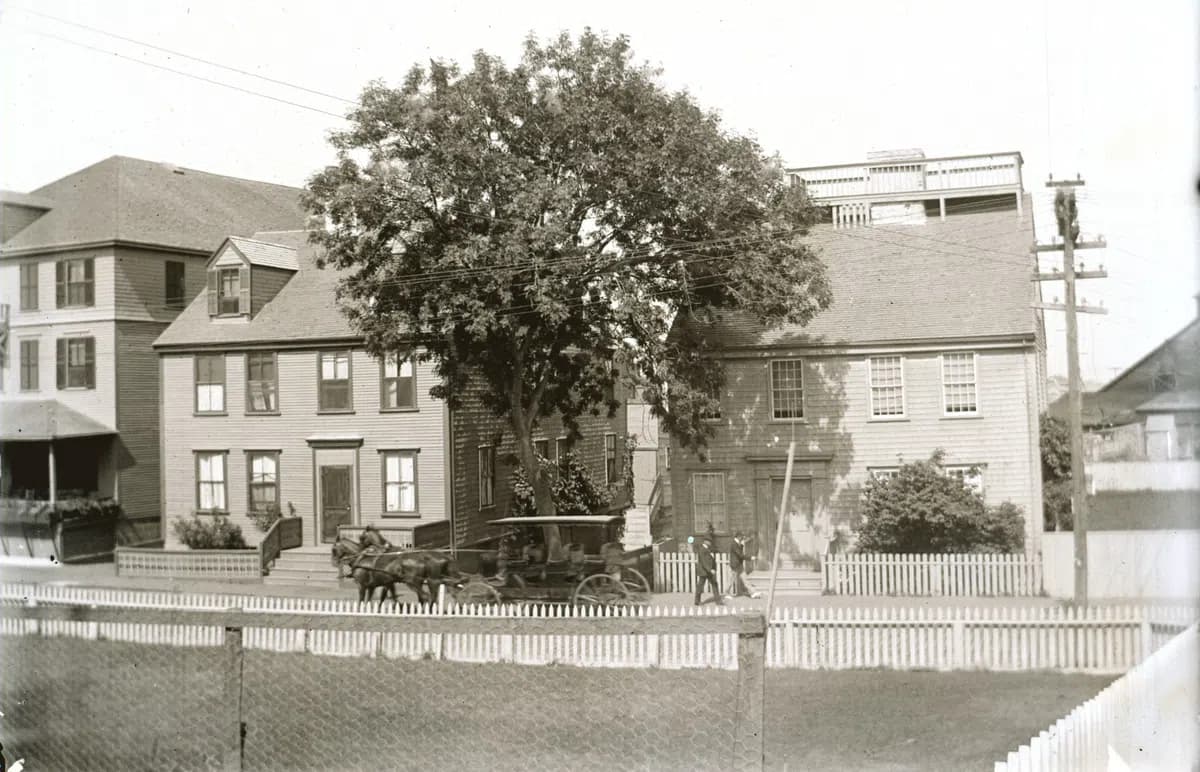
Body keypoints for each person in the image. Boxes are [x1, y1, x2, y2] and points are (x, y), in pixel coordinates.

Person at [728, 531, 761, 599]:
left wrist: (742, 545)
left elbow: (740, 553)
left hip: (739, 565)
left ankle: (753, 593)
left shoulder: (738, 543)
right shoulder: (734, 544)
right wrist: (750, 558)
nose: (742, 538)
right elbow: (740, 555)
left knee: (745, 579)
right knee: (731, 580)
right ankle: (726, 593)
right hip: (735, 565)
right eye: (741, 537)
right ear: (738, 537)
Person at [693, 533, 723, 606]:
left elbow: (710, 559)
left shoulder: (708, 548)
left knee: (714, 584)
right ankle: (697, 601)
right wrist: (710, 570)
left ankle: (718, 601)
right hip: (704, 571)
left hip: (709, 571)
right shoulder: (702, 549)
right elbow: (704, 562)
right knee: (700, 586)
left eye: (710, 541)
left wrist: (713, 568)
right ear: (705, 541)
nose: (710, 542)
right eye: (709, 541)